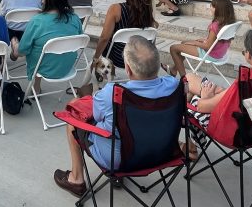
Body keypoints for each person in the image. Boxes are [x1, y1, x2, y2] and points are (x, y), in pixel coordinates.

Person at [54, 36, 177, 196]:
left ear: (127, 68)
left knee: (74, 115)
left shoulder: (111, 93)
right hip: (162, 154)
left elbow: (97, 117)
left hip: (120, 160)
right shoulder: (174, 86)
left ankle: (76, 179)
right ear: (157, 64)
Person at [13, 0, 83, 84]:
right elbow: (80, 42)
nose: (41, 0)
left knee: (27, 46)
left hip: (44, 68)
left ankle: (36, 87)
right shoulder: (74, 18)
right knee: (41, 45)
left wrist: (15, 45)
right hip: (67, 67)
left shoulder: (37, 21)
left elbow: (23, 50)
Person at [92, 0, 158, 76]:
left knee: (107, 38)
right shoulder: (148, 12)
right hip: (141, 58)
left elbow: (104, 38)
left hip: (119, 58)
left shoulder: (115, 9)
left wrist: (96, 58)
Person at [167, 0, 236, 77]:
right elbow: (216, 40)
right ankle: (174, 70)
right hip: (220, 53)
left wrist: (195, 43)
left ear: (218, 10)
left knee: (173, 48)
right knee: (184, 43)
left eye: (212, 6)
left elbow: (207, 47)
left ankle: (184, 79)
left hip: (210, 54)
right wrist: (202, 41)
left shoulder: (215, 25)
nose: (210, 8)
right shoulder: (228, 22)